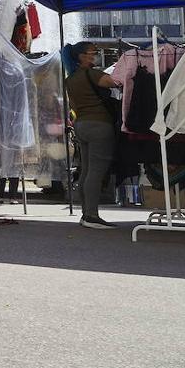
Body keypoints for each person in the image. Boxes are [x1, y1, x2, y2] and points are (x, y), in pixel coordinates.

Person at [63, 41, 119, 229]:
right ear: (81, 56)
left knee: (86, 170)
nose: (95, 54)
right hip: (99, 125)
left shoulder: (70, 79)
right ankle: (92, 215)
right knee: (96, 171)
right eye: (92, 52)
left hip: (81, 125)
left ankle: (86, 213)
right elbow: (116, 82)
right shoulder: (93, 74)